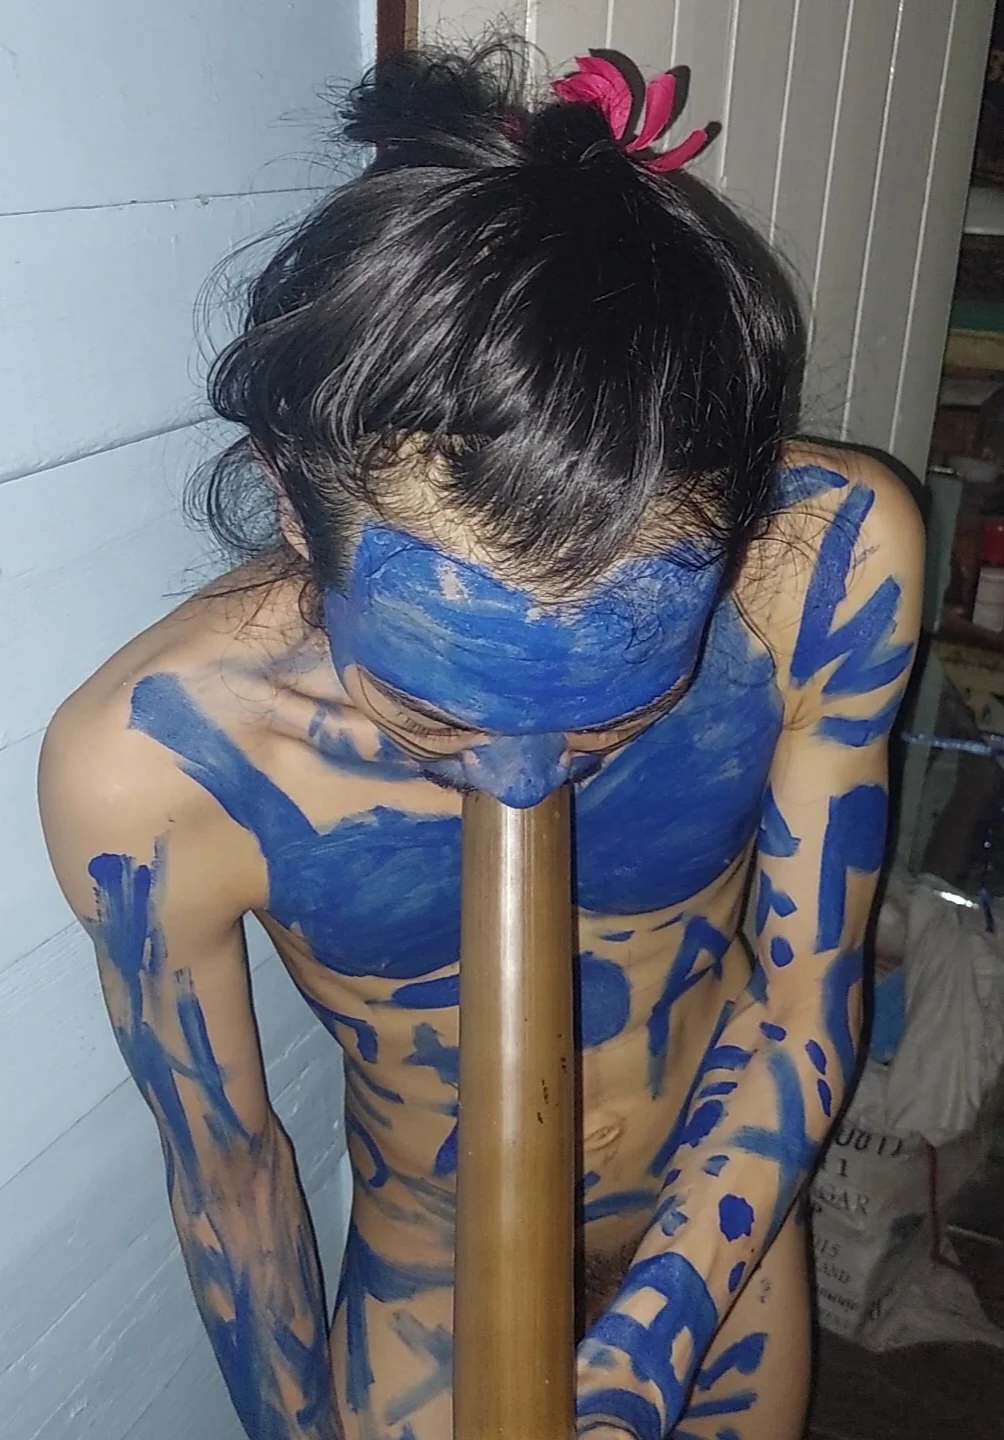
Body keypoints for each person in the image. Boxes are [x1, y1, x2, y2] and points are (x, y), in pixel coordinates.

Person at [39, 39, 923, 1440]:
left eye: (614, 716)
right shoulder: (155, 771)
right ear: (292, 508)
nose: (523, 790)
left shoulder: (825, 567)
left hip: (719, 1251)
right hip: (429, 1309)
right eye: (438, 716)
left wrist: (649, 1351)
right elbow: (231, 1176)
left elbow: (804, 998)